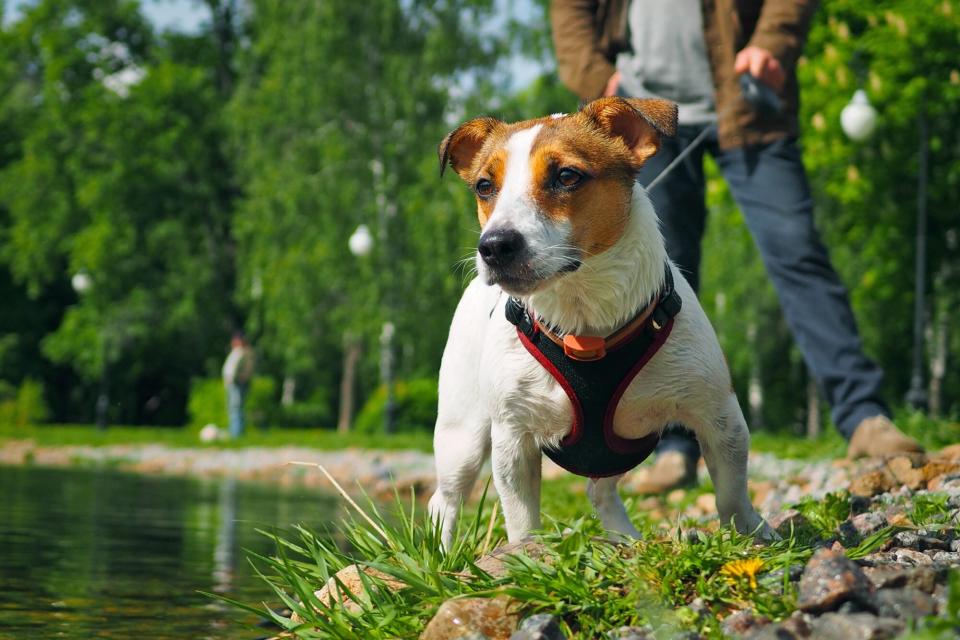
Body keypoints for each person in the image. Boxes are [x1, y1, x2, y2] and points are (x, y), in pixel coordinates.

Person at [550, 0, 923, 492]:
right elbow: (570, 11)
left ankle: (863, 417)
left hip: (749, 106)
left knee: (797, 253)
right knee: (655, 279)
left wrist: (771, 43)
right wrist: (597, 76)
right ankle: (674, 446)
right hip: (640, 119)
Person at [222, 331, 255, 438]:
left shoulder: (245, 352)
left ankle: (236, 433)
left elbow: (246, 370)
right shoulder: (236, 352)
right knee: (233, 408)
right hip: (232, 384)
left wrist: (239, 379)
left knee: (236, 407)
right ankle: (234, 431)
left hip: (238, 384)